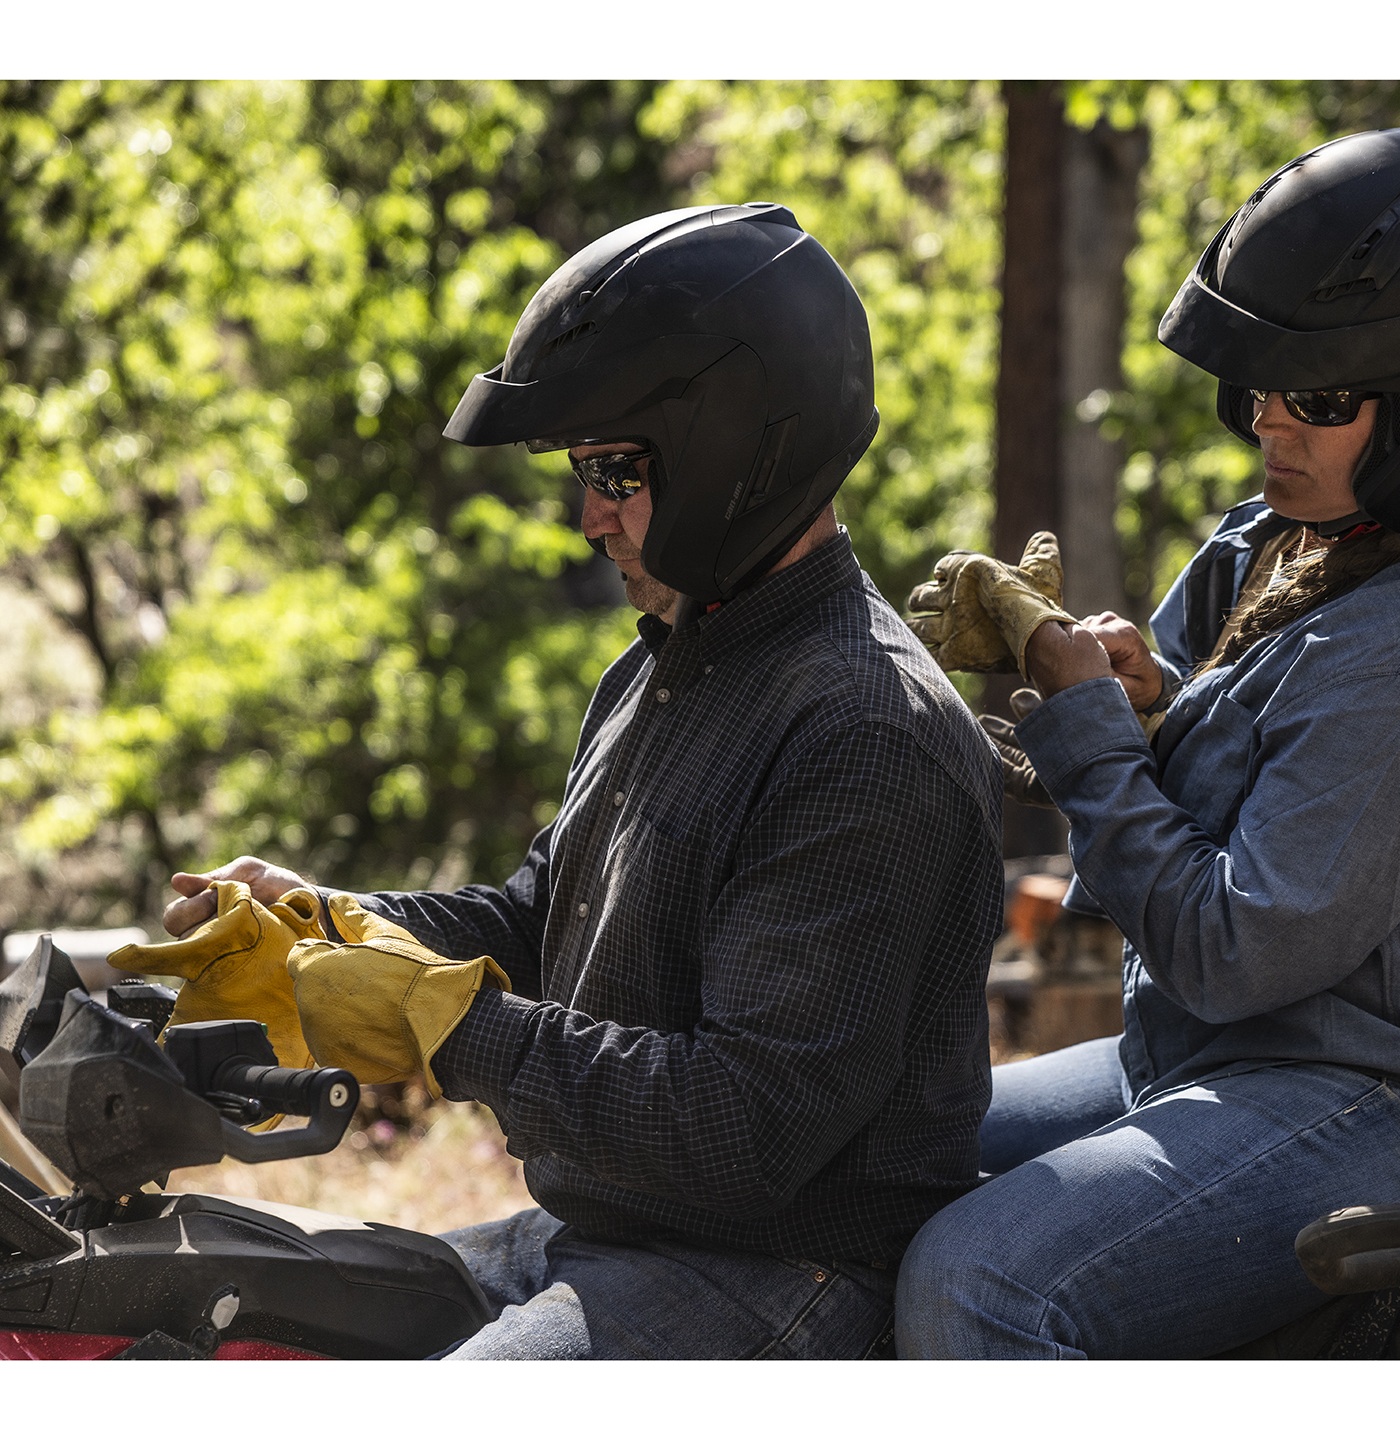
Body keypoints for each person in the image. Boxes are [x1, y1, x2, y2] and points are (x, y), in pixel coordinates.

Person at [135, 203, 1003, 1359]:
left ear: (741, 444)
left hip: (781, 1270)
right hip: (602, 1234)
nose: (589, 516)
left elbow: (745, 1128)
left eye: (614, 469)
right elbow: (544, 919)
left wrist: (452, 1028)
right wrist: (334, 922)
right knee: (209, 1309)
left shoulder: (862, 731)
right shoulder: (671, 663)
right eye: (582, 472)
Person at [894, 124, 1400, 1358]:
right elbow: (1199, 810)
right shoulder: (1277, 543)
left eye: (1316, 399)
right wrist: (1144, 704)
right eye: (1258, 385)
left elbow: (1231, 951)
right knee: (871, 1151)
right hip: (1213, 1053)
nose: (1269, 426)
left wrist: (1086, 715)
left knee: (980, 1282)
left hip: (1369, 1104)